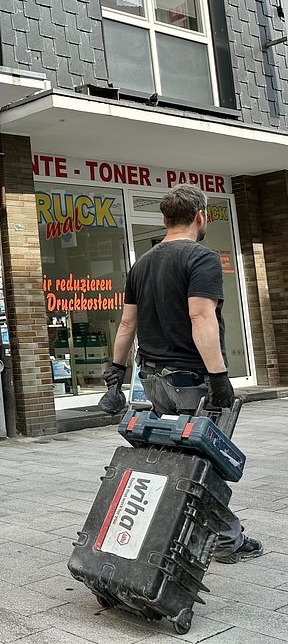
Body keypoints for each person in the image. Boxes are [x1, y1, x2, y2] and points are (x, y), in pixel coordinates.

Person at [100, 184, 263, 564]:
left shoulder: (142, 264)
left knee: (180, 456)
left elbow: (127, 324)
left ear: (164, 218)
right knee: (207, 460)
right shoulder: (201, 258)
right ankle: (226, 540)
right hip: (191, 379)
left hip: (153, 378)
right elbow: (200, 317)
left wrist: (117, 372)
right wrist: (219, 377)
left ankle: (193, 531)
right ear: (200, 216)